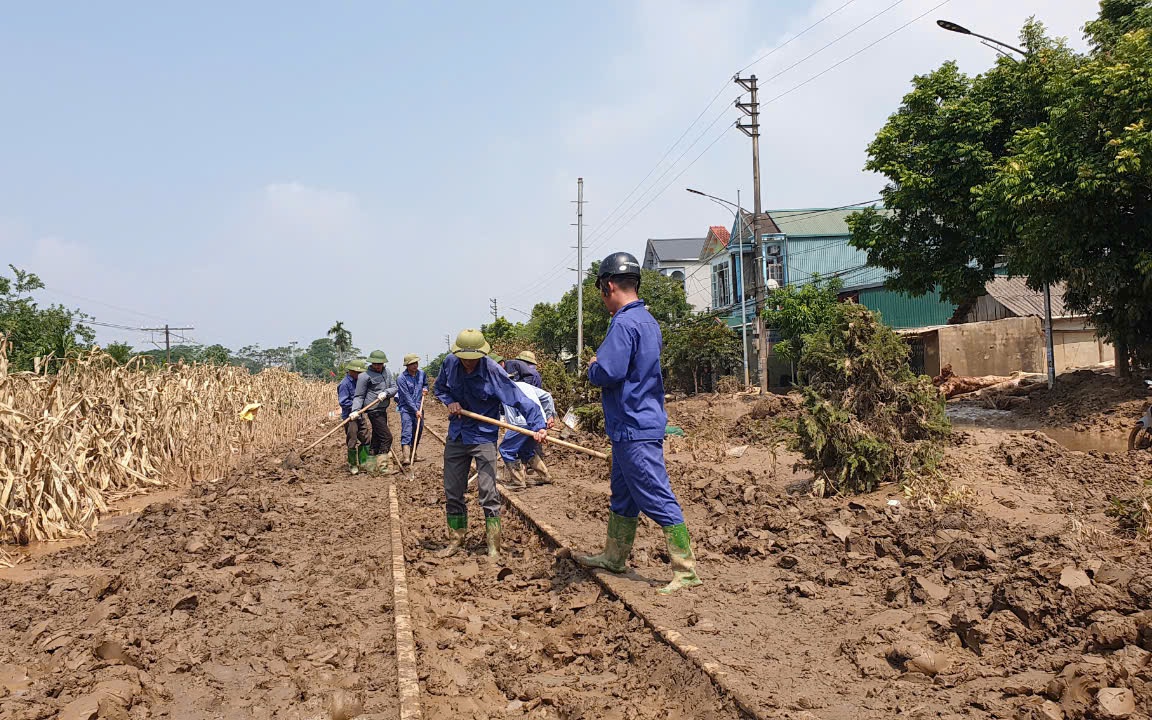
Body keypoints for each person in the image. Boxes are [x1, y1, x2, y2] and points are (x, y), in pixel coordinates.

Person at [577, 251, 702, 595]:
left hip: (633, 426)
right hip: (632, 424)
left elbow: (611, 371)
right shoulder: (648, 321)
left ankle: (686, 569)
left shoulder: (623, 322)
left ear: (609, 286)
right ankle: (614, 556)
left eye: (601, 289)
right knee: (624, 495)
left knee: (654, 493)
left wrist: (593, 366)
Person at [434, 328, 547, 560]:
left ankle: (493, 546)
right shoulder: (449, 364)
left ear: (481, 355)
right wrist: (451, 401)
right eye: (463, 358)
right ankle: (456, 540)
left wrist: (538, 425)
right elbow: (440, 388)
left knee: (487, 492)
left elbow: (517, 397)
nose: (468, 363)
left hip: (483, 436)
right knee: (453, 491)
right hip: (457, 434)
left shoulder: (493, 371)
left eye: (472, 359)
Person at [499, 381, 557, 489]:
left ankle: (518, 481)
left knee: (505, 449)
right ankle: (545, 476)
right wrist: (549, 416)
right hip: (539, 421)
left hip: (521, 422)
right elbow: (547, 396)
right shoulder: (525, 385)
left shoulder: (502, 388)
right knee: (526, 450)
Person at [350, 349, 398, 473]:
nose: (377, 366)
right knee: (387, 438)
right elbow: (359, 396)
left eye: (380, 364)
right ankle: (382, 468)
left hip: (383, 409)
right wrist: (355, 410)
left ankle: (370, 467)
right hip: (373, 410)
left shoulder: (387, 372)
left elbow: (394, 387)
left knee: (376, 439)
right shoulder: (364, 376)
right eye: (375, 364)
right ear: (371, 363)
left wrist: (386, 393)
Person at [338, 359, 371, 475]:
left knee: (366, 438)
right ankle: (352, 465)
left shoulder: (360, 382)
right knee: (352, 440)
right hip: (350, 417)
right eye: (358, 373)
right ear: (351, 371)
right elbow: (343, 401)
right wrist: (354, 408)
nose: (360, 375)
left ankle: (364, 463)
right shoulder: (344, 384)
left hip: (360, 415)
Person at [396, 354, 428, 466]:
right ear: (407, 365)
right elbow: (406, 396)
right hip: (406, 409)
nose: (415, 366)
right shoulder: (401, 379)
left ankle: (413, 454)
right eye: (412, 364)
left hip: (419, 407)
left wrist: (425, 389)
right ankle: (406, 457)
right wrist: (415, 410)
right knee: (407, 432)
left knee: (418, 431)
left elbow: (425, 384)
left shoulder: (422, 374)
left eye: (416, 363)